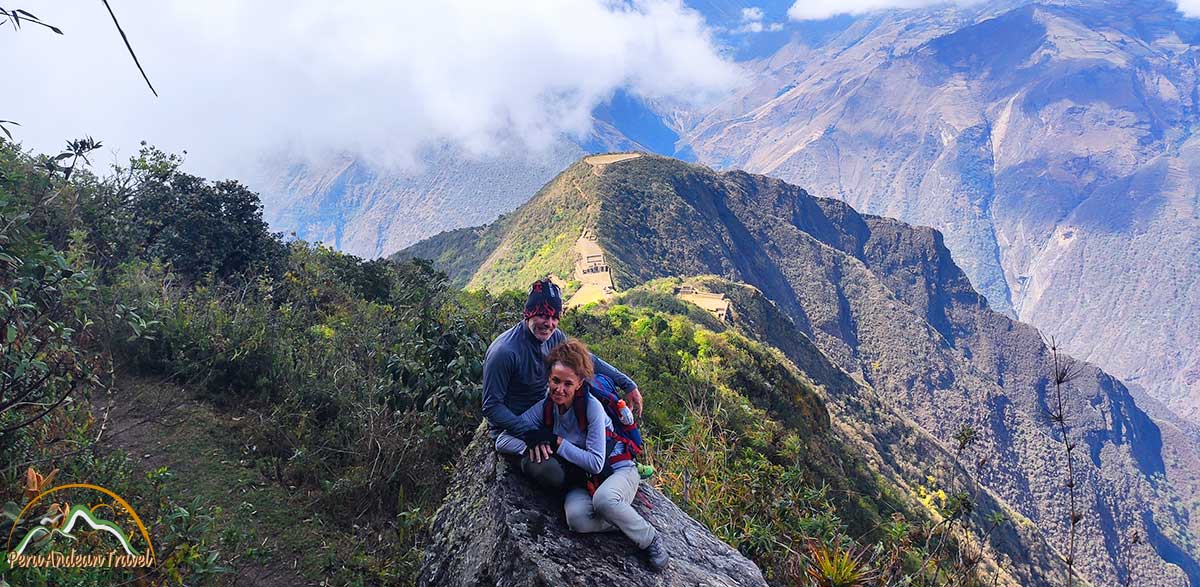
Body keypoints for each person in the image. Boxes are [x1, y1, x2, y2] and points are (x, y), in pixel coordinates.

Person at [495, 338, 670, 571]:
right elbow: (502, 440)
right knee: (576, 520)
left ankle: (649, 537)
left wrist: (557, 442)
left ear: (579, 384)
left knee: (604, 500)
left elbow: (597, 463)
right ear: (548, 378)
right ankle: (623, 517)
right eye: (555, 381)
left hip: (617, 469)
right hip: (583, 480)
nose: (560, 389)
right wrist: (531, 444)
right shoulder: (545, 407)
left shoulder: (591, 408)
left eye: (568, 383)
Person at [482, 278, 643, 488]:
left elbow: (586, 360)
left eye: (553, 317)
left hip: (548, 417)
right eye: (541, 315)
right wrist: (530, 434)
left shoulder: (554, 337)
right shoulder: (505, 352)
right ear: (528, 313)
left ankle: (616, 468)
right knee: (552, 473)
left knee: (590, 400)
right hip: (515, 428)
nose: (548, 324)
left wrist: (627, 384)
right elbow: (491, 407)